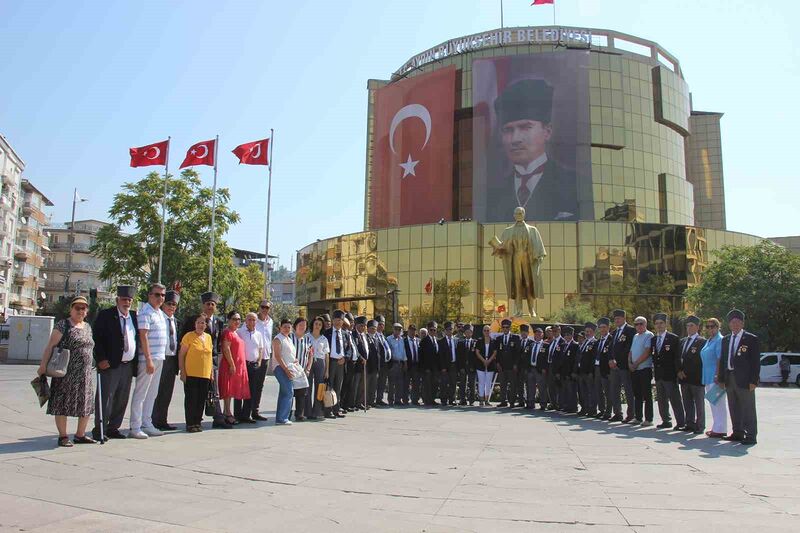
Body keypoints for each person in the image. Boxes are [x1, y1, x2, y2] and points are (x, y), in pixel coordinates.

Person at [486, 78, 578, 222]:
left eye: (525, 127)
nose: (515, 139)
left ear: (547, 131)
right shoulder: (493, 195)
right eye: (508, 130)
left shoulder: (574, 184)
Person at [38, 296, 96, 447]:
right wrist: (43, 365)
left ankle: (80, 435)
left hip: (85, 374)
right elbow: (50, 345)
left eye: (84, 308)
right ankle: (63, 436)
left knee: (85, 404)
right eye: (77, 308)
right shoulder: (63, 325)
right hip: (65, 372)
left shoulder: (88, 327)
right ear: (71, 309)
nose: (81, 311)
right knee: (62, 403)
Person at [91, 285, 138, 441]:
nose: (127, 302)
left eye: (129, 300)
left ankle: (113, 428)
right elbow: (97, 338)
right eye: (124, 299)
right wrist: (101, 359)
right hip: (110, 364)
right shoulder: (106, 315)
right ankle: (100, 429)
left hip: (128, 365)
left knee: (122, 398)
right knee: (106, 397)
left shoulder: (133, 316)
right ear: (118, 299)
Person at [181, 292, 230, 429]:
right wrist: (182, 368)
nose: (210, 306)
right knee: (192, 394)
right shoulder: (192, 320)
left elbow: (218, 343)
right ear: (203, 305)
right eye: (207, 304)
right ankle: (192, 421)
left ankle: (213, 417)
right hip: (192, 364)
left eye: (212, 304)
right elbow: (183, 342)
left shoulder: (219, 322)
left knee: (209, 392)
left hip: (211, 362)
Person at [129, 283, 168, 439]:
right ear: (150, 295)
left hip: (159, 357)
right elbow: (143, 336)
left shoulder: (159, 313)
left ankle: (147, 422)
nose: (160, 298)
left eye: (163, 295)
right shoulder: (146, 312)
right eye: (157, 295)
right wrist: (148, 359)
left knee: (152, 393)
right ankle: (135, 426)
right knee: (141, 393)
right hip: (148, 359)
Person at [717, 309, 760, 445]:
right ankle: (737, 432)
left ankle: (751, 435)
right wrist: (721, 378)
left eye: (737, 322)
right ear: (729, 324)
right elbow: (724, 359)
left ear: (742, 323)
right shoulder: (726, 339)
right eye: (732, 322)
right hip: (730, 377)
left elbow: (755, 362)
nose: (734, 325)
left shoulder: (751, 339)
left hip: (745, 379)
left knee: (748, 408)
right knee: (733, 406)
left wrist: (754, 380)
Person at [178, 314, 213, 433]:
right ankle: (190, 423)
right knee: (191, 399)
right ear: (195, 324)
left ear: (206, 325)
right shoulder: (188, 336)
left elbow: (210, 357)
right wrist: (182, 371)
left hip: (205, 374)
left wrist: (211, 373)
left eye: (203, 323)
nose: (200, 325)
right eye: (198, 322)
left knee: (201, 400)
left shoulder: (208, 337)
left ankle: (197, 422)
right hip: (191, 373)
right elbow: (181, 355)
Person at [152, 289, 180, 431]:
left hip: (171, 359)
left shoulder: (175, 321)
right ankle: (152, 420)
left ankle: (162, 420)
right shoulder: (158, 318)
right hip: (159, 358)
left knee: (167, 392)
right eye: (169, 304)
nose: (171, 307)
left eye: (174, 304)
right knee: (155, 391)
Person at [651, 313, 685, 430]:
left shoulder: (673, 338)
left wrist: (679, 370)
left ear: (666, 324)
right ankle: (666, 420)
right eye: (656, 324)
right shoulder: (654, 339)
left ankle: (681, 422)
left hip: (670, 374)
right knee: (661, 399)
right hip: (659, 374)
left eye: (661, 323)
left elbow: (677, 356)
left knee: (675, 399)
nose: (659, 325)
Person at [218, 311, 250, 426]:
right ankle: (227, 413)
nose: (237, 321)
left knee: (231, 390)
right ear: (229, 320)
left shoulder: (236, 333)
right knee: (227, 390)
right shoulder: (227, 333)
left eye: (238, 319)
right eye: (234, 319)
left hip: (237, 366)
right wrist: (232, 364)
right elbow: (226, 349)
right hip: (229, 366)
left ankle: (227, 412)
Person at [235, 312, 266, 423]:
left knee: (251, 391)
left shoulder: (258, 334)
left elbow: (261, 349)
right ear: (246, 320)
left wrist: (259, 361)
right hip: (242, 365)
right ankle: (237, 416)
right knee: (239, 391)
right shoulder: (240, 332)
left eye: (254, 320)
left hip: (254, 365)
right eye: (249, 319)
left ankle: (246, 415)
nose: (252, 322)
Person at [678, 315, 706, 434]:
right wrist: (679, 371)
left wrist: (687, 372)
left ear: (697, 327)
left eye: (691, 326)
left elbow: (698, 361)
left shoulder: (702, 341)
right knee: (687, 402)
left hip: (696, 377)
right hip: (683, 378)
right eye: (687, 326)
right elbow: (678, 358)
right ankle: (689, 423)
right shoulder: (683, 341)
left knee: (699, 403)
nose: (689, 328)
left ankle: (700, 426)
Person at [608, 309, 636, 423]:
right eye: (615, 319)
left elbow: (628, 348)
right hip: (614, 367)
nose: (617, 320)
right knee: (615, 390)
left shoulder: (630, 330)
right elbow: (610, 348)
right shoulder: (614, 333)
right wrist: (610, 359)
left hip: (624, 366)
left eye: (619, 318)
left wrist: (617, 361)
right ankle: (617, 413)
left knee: (628, 390)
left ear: (624, 318)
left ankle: (631, 414)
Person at [701, 318, 727, 438]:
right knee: (713, 402)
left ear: (718, 327)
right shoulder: (709, 340)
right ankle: (716, 427)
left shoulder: (719, 340)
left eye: (713, 326)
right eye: (708, 326)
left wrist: (718, 375)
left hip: (715, 376)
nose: (710, 329)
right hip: (707, 375)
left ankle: (721, 429)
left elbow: (719, 359)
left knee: (719, 403)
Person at [323, 310, 351, 419]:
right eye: (336, 320)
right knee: (329, 387)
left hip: (341, 363)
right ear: (333, 320)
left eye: (340, 320)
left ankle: (336, 409)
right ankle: (327, 410)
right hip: (330, 362)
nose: (338, 322)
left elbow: (349, 349)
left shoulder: (345, 334)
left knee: (338, 387)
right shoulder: (326, 333)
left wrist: (345, 358)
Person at [629, 317, 655, 426]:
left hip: (644, 368)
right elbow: (630, 351)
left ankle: (648, 419)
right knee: (637, 394)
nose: (638, 326)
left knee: (646, 394)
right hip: (635, 369)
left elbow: (647, 351)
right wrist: (630, 363)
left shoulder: (649, 335)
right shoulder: (635, 336)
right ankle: (638, 417)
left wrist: (636, 363)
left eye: (641, 324)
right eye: (636, 324)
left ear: (645, 324)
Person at [272, 318, 298, 425]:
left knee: (284, 392)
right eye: (284, 327)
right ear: (280, 327)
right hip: (280, 368)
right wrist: (286, 369)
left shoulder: (289, 339)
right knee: (288, 392)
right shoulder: (278, 339)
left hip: (289, 367)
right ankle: (283, 418)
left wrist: (295, 360)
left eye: (289, 327)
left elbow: (290, 354)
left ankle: (281, 417)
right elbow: (278, 356)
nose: (287, 329)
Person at [251, 300, 273, 420]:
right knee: (251, 385)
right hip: (254, 357)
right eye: (263, 307)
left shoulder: (270, 322)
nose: (265, 309)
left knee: (259, 385)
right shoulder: (253, 320)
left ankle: (255, 410)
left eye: (267, 308)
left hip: (265, 357)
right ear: (259, 307)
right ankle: (247, 411)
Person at [306, 316, 330, 419]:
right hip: (309, 362)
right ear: (312, 324)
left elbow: (326, 355)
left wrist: (327, 370)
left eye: (320, 324)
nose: (317, 326)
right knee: (308, 386)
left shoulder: (324, 339)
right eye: (316, 324)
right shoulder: (306, 336)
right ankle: (307, 411)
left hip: (320, 362)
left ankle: (317, 411)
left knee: (319, 387)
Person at [290, 318, 311, 421]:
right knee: (289, 393)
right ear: (295, 326)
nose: (302, 327)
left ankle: (299, 414)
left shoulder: (307, 339)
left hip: (302, 371)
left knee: (302, 393)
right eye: (300, 325)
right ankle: (287, 414)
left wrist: (308, 368)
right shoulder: (289, 337)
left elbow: (311, 354)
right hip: (290, 370)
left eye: (304, 325)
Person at [495, 318, 520, 408]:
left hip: (512, 366)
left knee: (512, 384)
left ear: (510, 328)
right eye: (503, 327)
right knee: (502, 384)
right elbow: (496, 352)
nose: (505, 329)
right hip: (502, 366)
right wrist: (497, 363)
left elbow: (518, 353)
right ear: (502, 328)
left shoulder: (516, 338)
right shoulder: (498, 339)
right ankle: (503, 401)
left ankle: (512, 401)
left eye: (507, 327)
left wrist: (516, 364)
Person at [577, 322, 597, 416]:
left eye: (589, 331)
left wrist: (591, 371)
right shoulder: (584, 342)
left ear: (593, 332)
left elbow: (593, 358)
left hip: (588, 372)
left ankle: (592, 409)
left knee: (590, 391)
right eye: (586, 331)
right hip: (581, 371)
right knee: (582, 391)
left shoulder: (594, 343)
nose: (587, 333)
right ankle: (584, 408)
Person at [594, 318, 612, 419]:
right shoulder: (598, 341)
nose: (602, 329)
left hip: (606, 368)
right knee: (598, 389)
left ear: (608, 327)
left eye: (604, 327)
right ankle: (601, 410)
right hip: (597, 367)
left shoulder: (611, 339)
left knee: (607, 390)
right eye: (600, 328)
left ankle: (608, 412)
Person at [558, 326, 579, 413]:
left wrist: (574, 372)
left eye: (568, 335)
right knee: (565, 390)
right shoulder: (563, 345)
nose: (566, 336)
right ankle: (566, 406)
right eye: (565, 335)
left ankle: (573, 407)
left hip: (570, 372)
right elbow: (560, 360)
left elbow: (576, 360)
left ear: (572, 335)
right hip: (563, 372)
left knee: (572, 390)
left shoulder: (575, 345)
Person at [385, 323, 407, 406]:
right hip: (392, 363)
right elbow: (387, 352)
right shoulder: (388, 339)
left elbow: (403, 351)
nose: (398, 331)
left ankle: (398, 399)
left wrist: (405, 363)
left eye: (399, 329)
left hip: (400, 363)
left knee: (400, 383)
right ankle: (390, 400)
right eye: (396, 329)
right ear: (393, 329)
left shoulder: (402, 339)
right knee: (391, 383)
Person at [475, 325, 497, 406]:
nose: (486, 332)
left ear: (490, 331)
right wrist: (484, 361)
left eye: (488, 330)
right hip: (480, 363)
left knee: (488, 383)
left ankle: (487, 400)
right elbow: (477, 352)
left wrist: (489, 360)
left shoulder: (493, 341)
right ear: (482, 332)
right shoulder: (479, 341)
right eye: (485, 330)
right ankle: (481, 400)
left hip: (490, 364)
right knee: (481, 382)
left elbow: (495, 352)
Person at [437, 321, 458, 406]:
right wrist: (443, 367)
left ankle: (451, 399)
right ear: (445, 331)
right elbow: (440, 356)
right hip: (445, 366)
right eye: (448, 329)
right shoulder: (441, 341)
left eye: (451, 329)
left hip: (454, 364)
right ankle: (443, 400)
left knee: (453, 383)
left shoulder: (456, 340)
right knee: (444, 383)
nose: (450, 331)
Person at [419, 321, 440, 406]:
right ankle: (427, 400)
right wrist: (425, 368)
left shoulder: (437, 340)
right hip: (427, 367)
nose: (433, 332)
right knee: (427, 384)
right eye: (431, 330)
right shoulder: (424, 341)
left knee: (435, 383)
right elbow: (421, 356)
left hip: (435, 367)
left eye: (434, 330)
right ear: (428, 330)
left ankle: (432, 399)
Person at [523, 327, 544, 409]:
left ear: (542, 335)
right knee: (530, 387)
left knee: (541, 387)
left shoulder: (545, 345)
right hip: (531, 368)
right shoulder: (530, 344)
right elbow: (526, 357)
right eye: (536, 333)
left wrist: (544, 369)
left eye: (539, 333)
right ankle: (530, 403)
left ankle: (543, 404)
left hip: (539, 369)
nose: (538, 335)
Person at [544, 324, 564, 410]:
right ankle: (553, 403)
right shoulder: (552, 341)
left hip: (557, 367)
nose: (554, 333)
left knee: (558, 387)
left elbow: (561, 358)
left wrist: (558, 371)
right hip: (549, 366)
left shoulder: (562, 342)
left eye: (556, 331)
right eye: (553, 331)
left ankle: (559, 404)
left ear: (559, 331)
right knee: (550, 386)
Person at [456, 325, 476, 405]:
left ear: (472, 333)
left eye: (469, 332)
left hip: (472, 367)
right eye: (466, 332)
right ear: (464, 333)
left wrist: (473, 366)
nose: (468, 334)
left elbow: (476, 356)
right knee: (462, 384)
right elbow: (458, 356)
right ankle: (462, 399)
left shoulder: (475, 342)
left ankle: (472, 400)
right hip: (463, 366)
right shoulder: (460, 342)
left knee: (472, 384)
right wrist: (461, 367)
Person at [374, 315, 391, 406]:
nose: (381, 326)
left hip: (385, 364)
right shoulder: (374, 335)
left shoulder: (383, 336)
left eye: (383, 324)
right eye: (380, 324)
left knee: (382, 382)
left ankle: (379, 399)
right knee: (375, 382)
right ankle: (373, 400)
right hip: (377, 364)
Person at [404, 325, 422, 405]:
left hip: (416, 365)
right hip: (408, 365)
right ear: (408, 331)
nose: (412, 332)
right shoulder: (404, 341)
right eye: (411, 330)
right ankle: (405, 399)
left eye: (414, 330)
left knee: (416, 383)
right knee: (406, 383)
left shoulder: (418, 340)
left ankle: (415, 400)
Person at [515, 324, 532, 407]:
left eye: (525, 332)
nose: (523, 334)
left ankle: (529, 402)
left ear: (528, 333)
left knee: (529, 385)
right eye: (522, 332)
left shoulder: (531, 343)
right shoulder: (518, 341)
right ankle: (521, 401)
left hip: (528, 368)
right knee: (520, 385)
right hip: (519, 367)